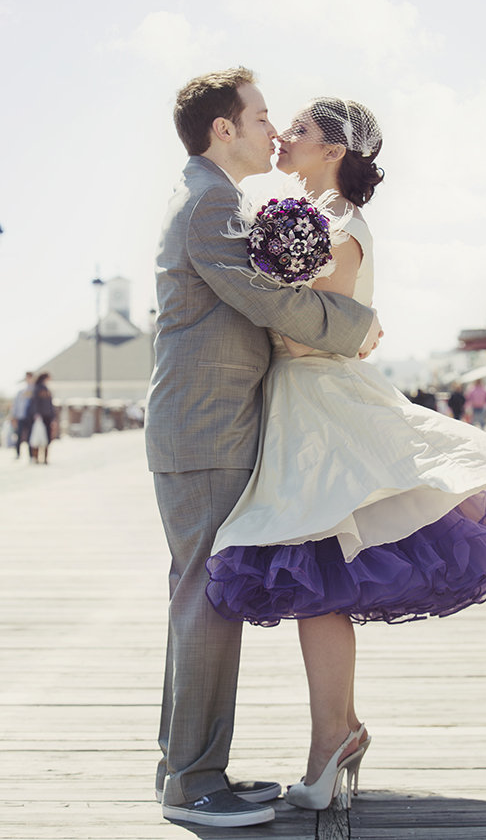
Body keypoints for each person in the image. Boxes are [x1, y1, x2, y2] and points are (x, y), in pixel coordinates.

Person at [206, 97, 486, 812]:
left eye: (299, 129)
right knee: (313, 584)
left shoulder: (342, 228)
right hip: (304, 413)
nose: (285, 136)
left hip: (325, 414)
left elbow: (309, 335)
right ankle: (335, 737)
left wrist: (257, 292)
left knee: (315, 579)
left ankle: (333, 741)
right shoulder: (312, 220)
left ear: (333, 150)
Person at [144, 68, 383, 829]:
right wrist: (354, 327)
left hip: (215, 426)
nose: (271, 128)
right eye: (260, 116)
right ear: (225, 128)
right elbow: (258, 296)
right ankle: (191, 782)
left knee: (205, 600)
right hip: (204, 428)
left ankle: (195, 769)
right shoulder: (211, 199)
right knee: (204, 604)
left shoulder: (217, 197)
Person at [28, 373, 56, 464]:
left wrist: (53, 417)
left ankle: (45, 458)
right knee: (37, 438)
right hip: (40, 417)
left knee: (46, 438)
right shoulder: (37, 389)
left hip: (47, 417)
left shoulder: (47, 390)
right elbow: (35, 403)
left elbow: (51, 405)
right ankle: (36, 457)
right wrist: (36, 414)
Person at [10, 372, 34, 459]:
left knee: (30, 436)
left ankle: (31, 455)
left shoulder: (34, 390)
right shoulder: (21, 391)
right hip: (21, 416)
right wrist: (13, 416)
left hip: (30, 417)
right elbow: (16, 404)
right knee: (19, 435)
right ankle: (17, 454)